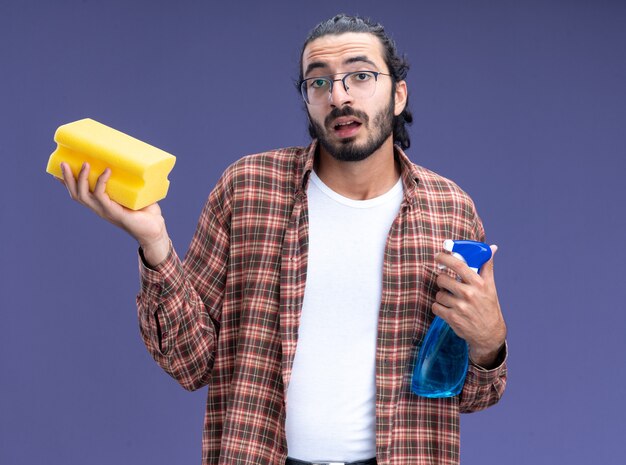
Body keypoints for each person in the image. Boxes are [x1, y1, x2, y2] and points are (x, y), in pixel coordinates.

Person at [59, 13, 507, 465]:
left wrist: (489, 341)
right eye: (318, 82)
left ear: (398, 95)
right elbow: (191, 363)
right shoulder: (248, 189)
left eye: (360, 75)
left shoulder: (450, 210)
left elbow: (471, 394)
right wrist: (155, 242)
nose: (338, 95)